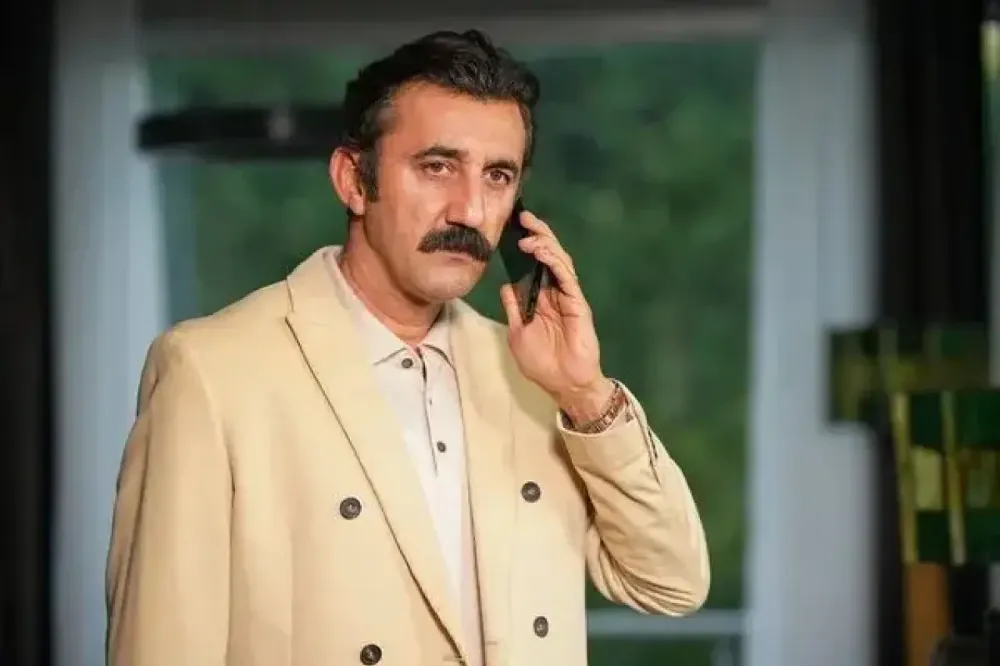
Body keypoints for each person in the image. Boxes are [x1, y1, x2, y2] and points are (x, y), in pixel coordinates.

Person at [105, 29, 710, 666]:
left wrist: (585, 394)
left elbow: (670, 584)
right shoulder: (212, 371)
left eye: (497, 176)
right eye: (437, 167)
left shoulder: (534, 378)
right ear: (353, 180)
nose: (469, 210)